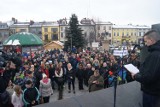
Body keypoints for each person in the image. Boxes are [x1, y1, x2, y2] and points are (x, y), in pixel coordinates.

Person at [132, 30, 160, 107]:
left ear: (151, 40)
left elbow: (149, 76)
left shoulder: (155, 55)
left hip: (152, 92)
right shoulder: (155, 53)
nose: (145, 44)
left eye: (146, 41)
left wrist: (135, 76)